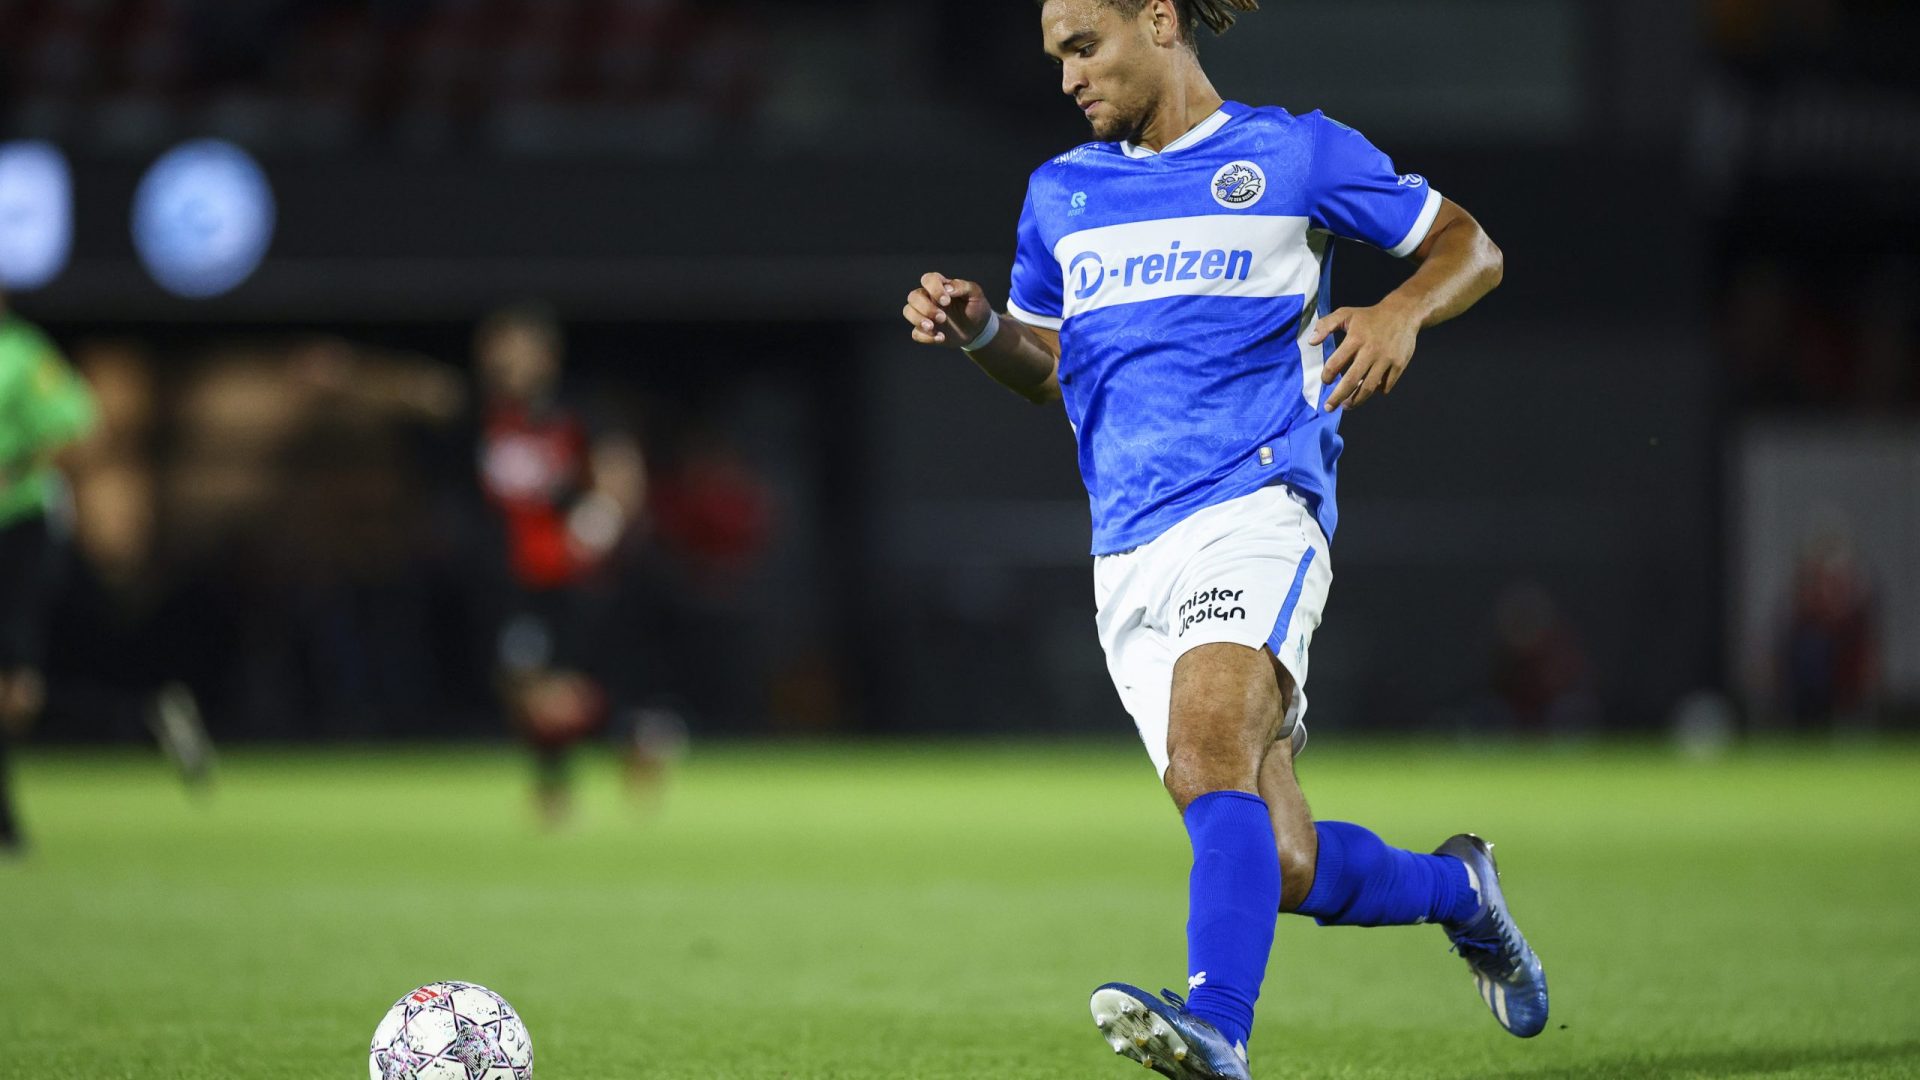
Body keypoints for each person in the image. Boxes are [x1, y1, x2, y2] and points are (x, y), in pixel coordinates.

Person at [900, 2, 1541, 1075]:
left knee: (1207, 761)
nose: (1066, 78)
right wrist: (979, 330)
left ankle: (1217, 1029)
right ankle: (1459, 890)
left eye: (1082, 47)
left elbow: (1471, 245)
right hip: (1126, 556)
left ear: (1159, 19)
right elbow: (1055, 364)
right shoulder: (1062, 194)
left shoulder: (1293, 153)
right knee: (1278, 859)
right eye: (1055, 56)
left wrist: (1398, 314)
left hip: (1256, 508)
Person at [473, 303, 644, 825]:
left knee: (545, 689)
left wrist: (599, 522)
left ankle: (559, 790)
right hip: (513, 575)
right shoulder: (485, 416)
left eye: (515, 348)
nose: (503, 361)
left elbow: (621, 469)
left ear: (545, 354)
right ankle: (633, 735)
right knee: (526, 688)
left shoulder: (576, 411)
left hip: (568, 576)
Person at [0, 290, 97, 854]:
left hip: (17, 528)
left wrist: (15, 469)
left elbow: (74, 423)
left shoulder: (23, 353)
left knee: (15, 687)